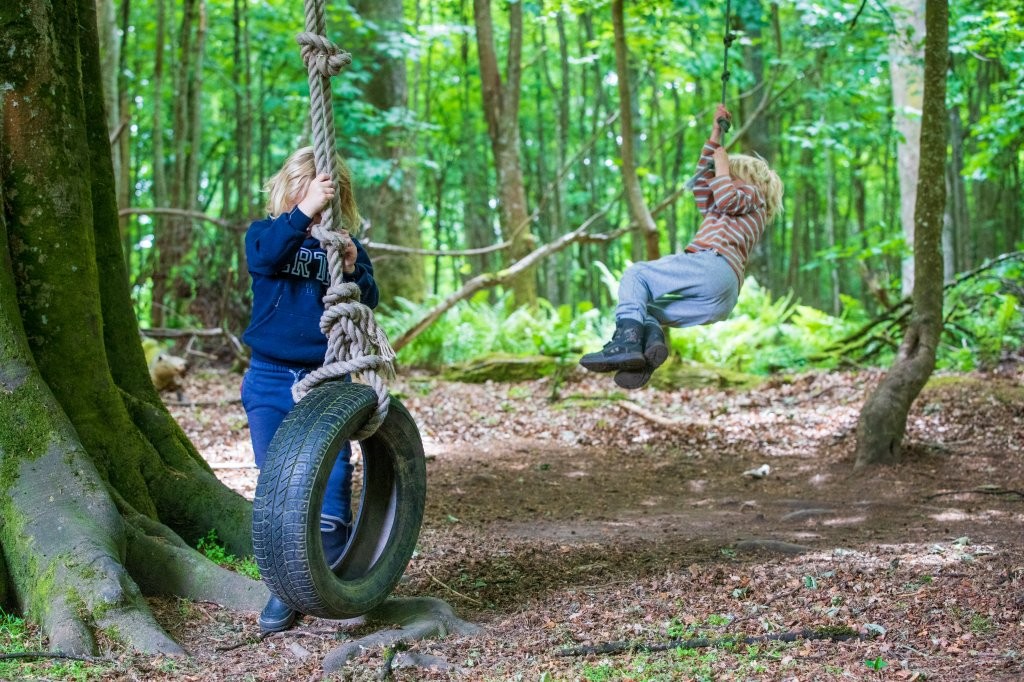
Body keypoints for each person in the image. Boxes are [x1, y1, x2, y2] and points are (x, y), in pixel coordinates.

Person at [240, 146, 379, 633]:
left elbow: (368, 299)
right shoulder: (267, 234)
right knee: (276, 482)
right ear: (289, 191)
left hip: (327, 377)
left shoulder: (343, 245)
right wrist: (302, 215)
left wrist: (354, 261)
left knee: (332, 481)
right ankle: (283, 589)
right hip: (271, 376)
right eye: (308, 190)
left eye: (328, 193)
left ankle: (334, 581)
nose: (319, 201)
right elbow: (265, 258)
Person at [579, 104, 783, 389]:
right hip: (721, 300)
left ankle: (624, 343)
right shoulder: (723, 207)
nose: (716, 180)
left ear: (746, 179)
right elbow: (701, 180)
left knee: (636, 275)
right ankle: (643, 356)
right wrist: (715, 134)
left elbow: (725, 195)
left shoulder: (752, 195)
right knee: (643, 308)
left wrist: (724, 167)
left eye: (726, 176)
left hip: (713, 264)